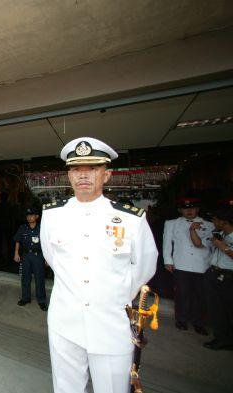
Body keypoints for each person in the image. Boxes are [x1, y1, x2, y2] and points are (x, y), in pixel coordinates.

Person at [40, 137, 158, 393]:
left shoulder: (130, 219)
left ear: (106, 175)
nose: (83, 175)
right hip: (64, 321)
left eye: (92, 168)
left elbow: (145, 266)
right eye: (76, 169)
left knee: (113, 388)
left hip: (110, 323)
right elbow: (52, 258)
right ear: (69, 175)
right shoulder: (51, 215)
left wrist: (113, 297)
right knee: (66, 388)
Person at [162, 197, 214, 335]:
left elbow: (209, 246)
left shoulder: (209, 225)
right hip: (181, 264)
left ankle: (198, 322)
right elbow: (167, 243)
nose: (189, 211)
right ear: (180, 210)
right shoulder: (172, 223)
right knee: (182, 294)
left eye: (192, 208)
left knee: (200, 295)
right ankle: (181, 319)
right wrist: (168, 260)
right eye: (186, 208)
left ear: (197, 209)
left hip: (202, 264)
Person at [203, 207, 233, 350]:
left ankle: (226, 340)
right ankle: (221, 338)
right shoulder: (220, 234)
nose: (213, 222)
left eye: (215, 219)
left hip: (228, 277)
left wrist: (224, 248)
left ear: (224, 222)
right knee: (216, 309)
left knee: (226, 310)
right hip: (215, 273)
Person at [13, 208, 47, 311]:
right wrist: (16, 253)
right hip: (26, 256)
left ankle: (41, 300)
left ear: (37, 216)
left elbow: (47, 243)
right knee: (25, 278)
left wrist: (47, 258)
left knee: (39, 278)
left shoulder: (42, 228)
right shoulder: (23, 228)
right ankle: (25, 298)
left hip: (38, 256)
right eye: (28, 215)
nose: (29, 217)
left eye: (32, 215)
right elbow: (18, 241)